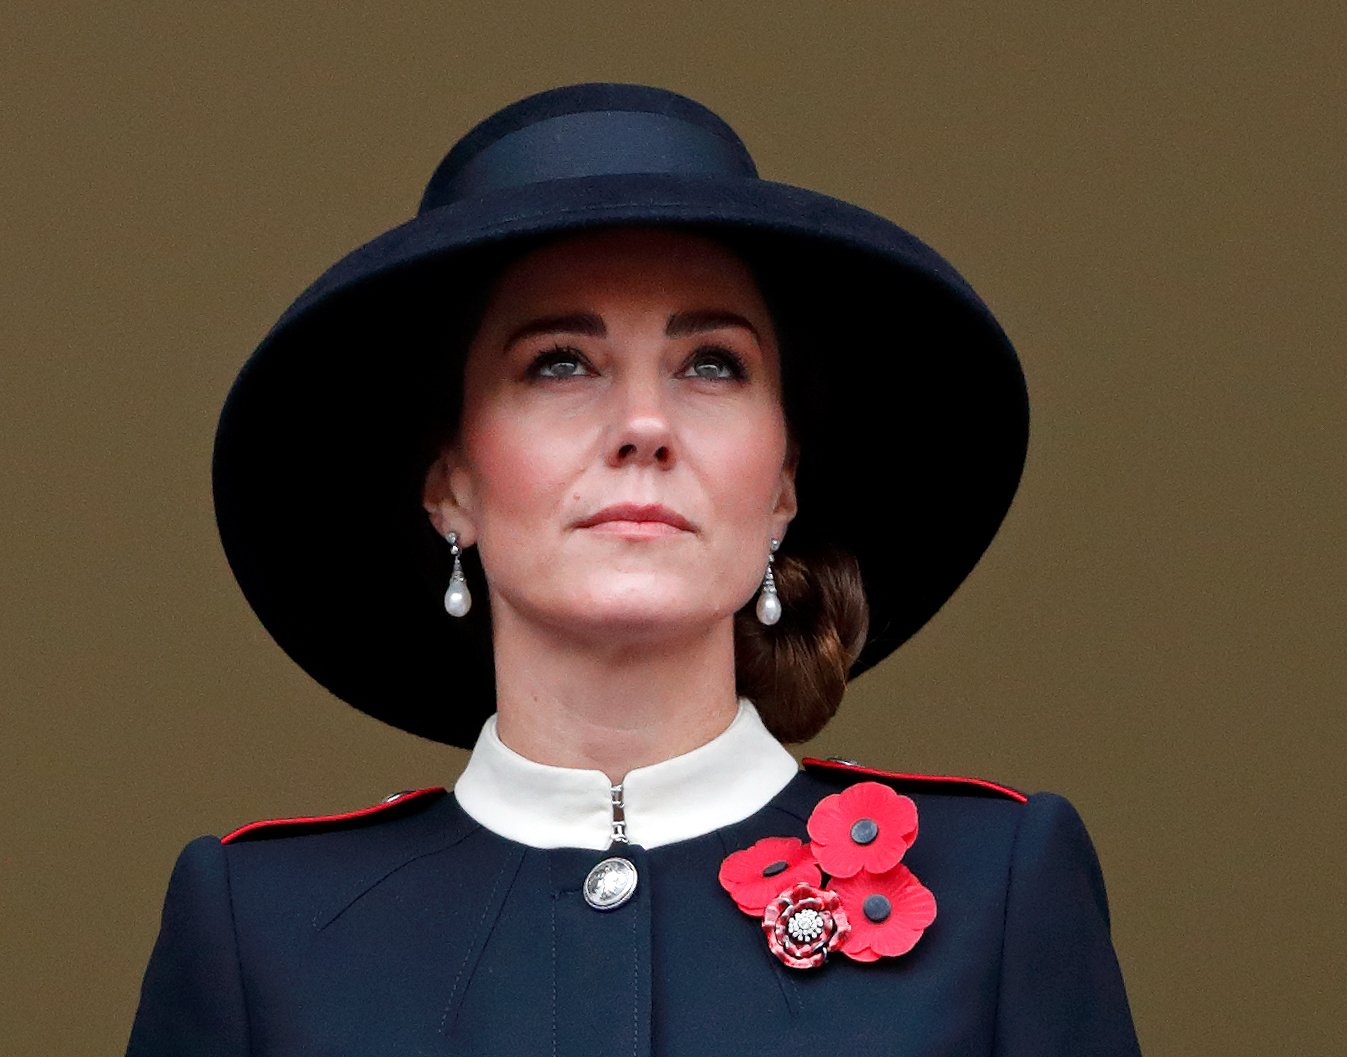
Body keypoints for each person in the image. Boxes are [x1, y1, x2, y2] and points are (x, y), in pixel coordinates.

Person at [126, 83, 1140, 1056]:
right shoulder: (262, 931)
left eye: (712, 364)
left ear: (782, 483)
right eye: (558, 362)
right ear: (451, 485)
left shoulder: (993, 891)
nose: (645, 426)